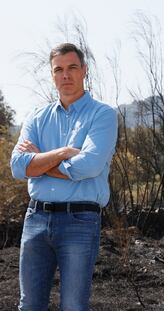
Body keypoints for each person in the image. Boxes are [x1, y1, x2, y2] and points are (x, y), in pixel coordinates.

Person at [10, 43, 118, 311]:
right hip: (35, 219)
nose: (65, 75)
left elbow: (89, 166)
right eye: (59, 69)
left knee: (73, 306)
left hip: (79, 220)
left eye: (72, 67)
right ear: (52, 75)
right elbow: (17, 166)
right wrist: (62, 153)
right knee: (29, 305)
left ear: (84, 70)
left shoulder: (102, 115)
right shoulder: (36, 117)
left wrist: (41, 162)